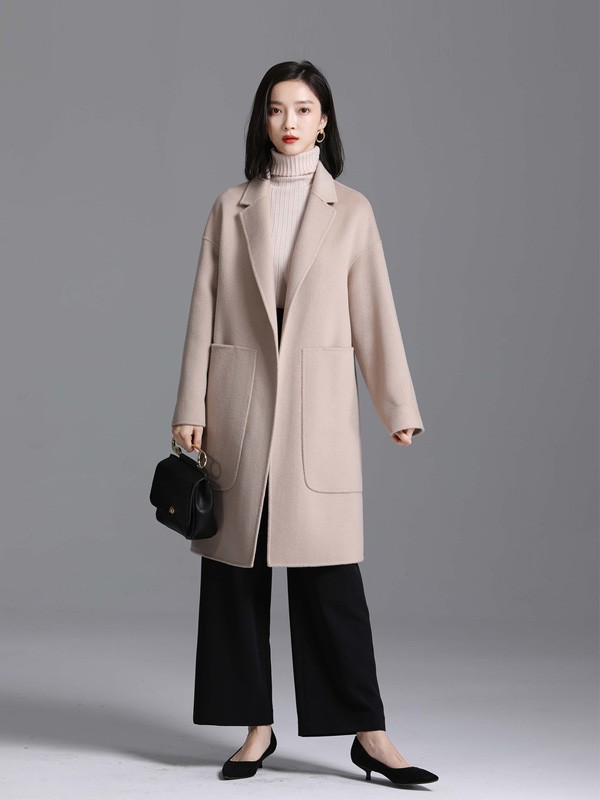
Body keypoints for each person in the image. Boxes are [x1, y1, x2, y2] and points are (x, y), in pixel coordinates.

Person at [171, 60, 438, 786]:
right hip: (239, 403)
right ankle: (255, 728)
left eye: (303, 109)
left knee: (330, 577)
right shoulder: (231, 206)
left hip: (317, 409)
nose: (288, 122)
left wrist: (397, 407)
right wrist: (190, 405)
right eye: (276, 109)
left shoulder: (351, 211)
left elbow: (374, 313)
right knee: (236, 572)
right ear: (262, 120)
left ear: (324, 122)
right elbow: (204, 310)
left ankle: (369, 734)